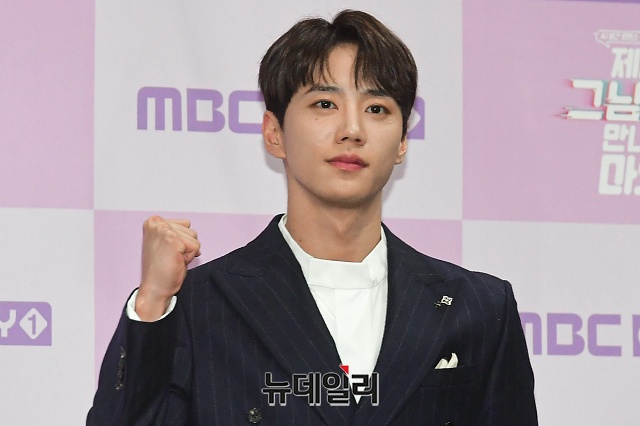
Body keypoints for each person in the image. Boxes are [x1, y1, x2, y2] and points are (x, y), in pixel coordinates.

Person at [88, 9, 537, 425]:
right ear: (274, 133)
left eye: (377, 109)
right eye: (325, 104)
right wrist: (152, 303)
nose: (352, 129)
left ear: (402, 141)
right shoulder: (200, 305)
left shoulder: (478, 308)